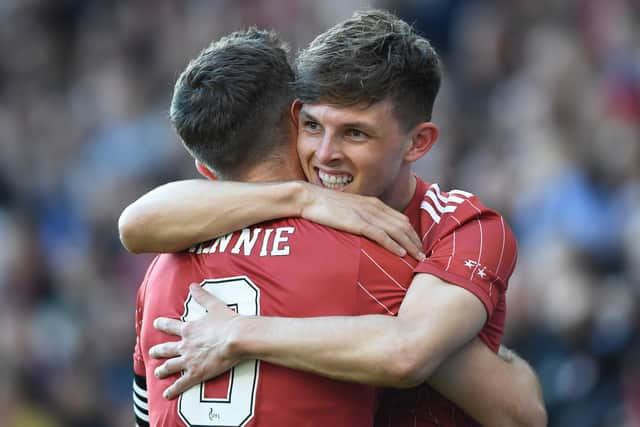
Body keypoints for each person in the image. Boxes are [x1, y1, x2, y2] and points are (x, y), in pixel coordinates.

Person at [123, 10, 546, 427]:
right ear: (292, 120)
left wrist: (242, 332)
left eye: (355, 132)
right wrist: (301, 197)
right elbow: (520, 409)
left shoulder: (461, 228)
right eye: (312, 126)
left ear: (418, 143)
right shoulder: (354, 255)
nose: (325, 155)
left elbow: (410, 351)